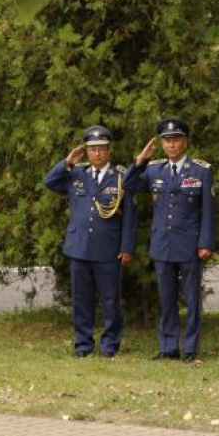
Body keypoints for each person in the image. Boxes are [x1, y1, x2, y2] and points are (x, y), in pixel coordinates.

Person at [126, 118, 215, 362]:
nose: (171, 145)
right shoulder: (154, 169)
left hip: (190, 244)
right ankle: (168, 347)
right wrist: (140, 161)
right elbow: (129, 185)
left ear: (185, 141)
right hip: (162, 243)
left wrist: (206, 242)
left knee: (192, 300)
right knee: (166, 299)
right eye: (167, 141)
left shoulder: (201, 170)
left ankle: (190, 348)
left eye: (176, 140)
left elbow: (208, 210)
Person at [44, 125, 137, 358]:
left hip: (108, 248)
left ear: (109, 151)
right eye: (92, 149)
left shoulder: (121, 177)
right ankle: (83, 344)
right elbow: (50, 182)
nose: (97, 153)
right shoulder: (76, 173)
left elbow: (130, 216)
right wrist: (67, 162)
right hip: (79, 246)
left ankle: (110, 345)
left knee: (110, 299)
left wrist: (127, 247)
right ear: (86, 151)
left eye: (102, 149)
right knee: (81, 299)